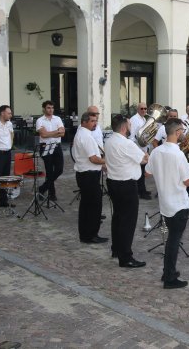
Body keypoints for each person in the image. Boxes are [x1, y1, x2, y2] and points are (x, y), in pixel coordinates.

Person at [146, 118, 189, 289]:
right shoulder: (177, 154)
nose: (183, 134)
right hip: (178, 203)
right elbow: (187, 182)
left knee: (171, 239)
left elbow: (147, 173)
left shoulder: (156, 151)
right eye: (182, 131)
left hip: (165, 203)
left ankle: (167, 271)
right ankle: (169, 277)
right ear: (177, 132)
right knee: (173, 241)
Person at [104, 114, 148, 268]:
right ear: (124, 127)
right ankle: (126, 257)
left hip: (113, 183)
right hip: (126, 185)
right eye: (129, 125)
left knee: (118, 217)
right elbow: (144, 159)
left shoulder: (108, 141)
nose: (131, 128)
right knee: (128, 222)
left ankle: (116, 249)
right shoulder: (127, 143)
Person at [72, 112, 107, 244]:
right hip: (88, 175)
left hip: (85, 174)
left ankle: (86, 234)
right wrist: (107, 162)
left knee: (86, 206)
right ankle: (91, 235)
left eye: (96, 121)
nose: (95, 123)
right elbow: (93, 159)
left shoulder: (82, 133)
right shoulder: (85, 136)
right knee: (93, 206)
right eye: (92, 121)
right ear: (84, 122)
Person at [36, 100, 65, 201]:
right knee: (49, 171)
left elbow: (63, 133)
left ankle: (42, 188)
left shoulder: (57, 119)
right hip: (45, 147)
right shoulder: (40, 120)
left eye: (52, 108)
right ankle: (52, 194)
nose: (51, 110)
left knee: (59, 169)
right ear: (44, 109)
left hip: (57, 146)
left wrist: (50, 133)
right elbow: (43, 135)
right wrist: (57, 131)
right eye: (48, 108)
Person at [129, 102, 152, 200]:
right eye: (141, 108)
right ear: (137, 109)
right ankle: (141, 192)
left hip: (143, 147)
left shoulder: (143, 119)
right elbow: (132, 136)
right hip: (138, 148)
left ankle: (142, 190)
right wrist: (138, 150)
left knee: (142, 170)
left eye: (145, 109)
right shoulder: (134, 119)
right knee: (139, 171)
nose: (144, 110)